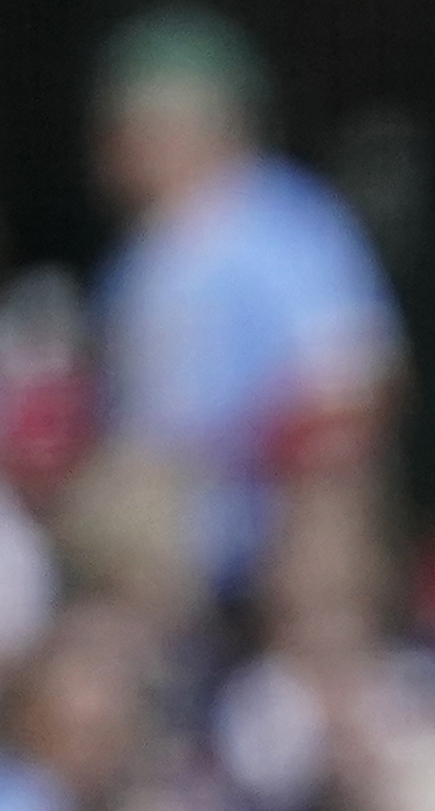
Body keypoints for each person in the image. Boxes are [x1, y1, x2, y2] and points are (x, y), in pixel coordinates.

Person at [92, 6, 402, 599]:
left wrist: (226, 458)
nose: (122, 145)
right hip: (160, 550)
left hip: (273, 528)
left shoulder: (287, 224)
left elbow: (356, 386)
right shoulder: (138, 259)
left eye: (144, 122)